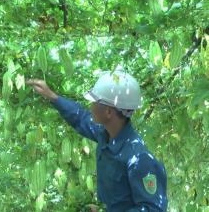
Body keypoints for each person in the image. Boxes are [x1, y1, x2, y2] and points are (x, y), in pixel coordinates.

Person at [26, 70, 168, 212]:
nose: (90, 106)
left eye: (94, 102)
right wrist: (52, 96)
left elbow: (152, 209)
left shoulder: (139, 159)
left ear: (108, 112)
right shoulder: (105, 134)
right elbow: (80, 117)